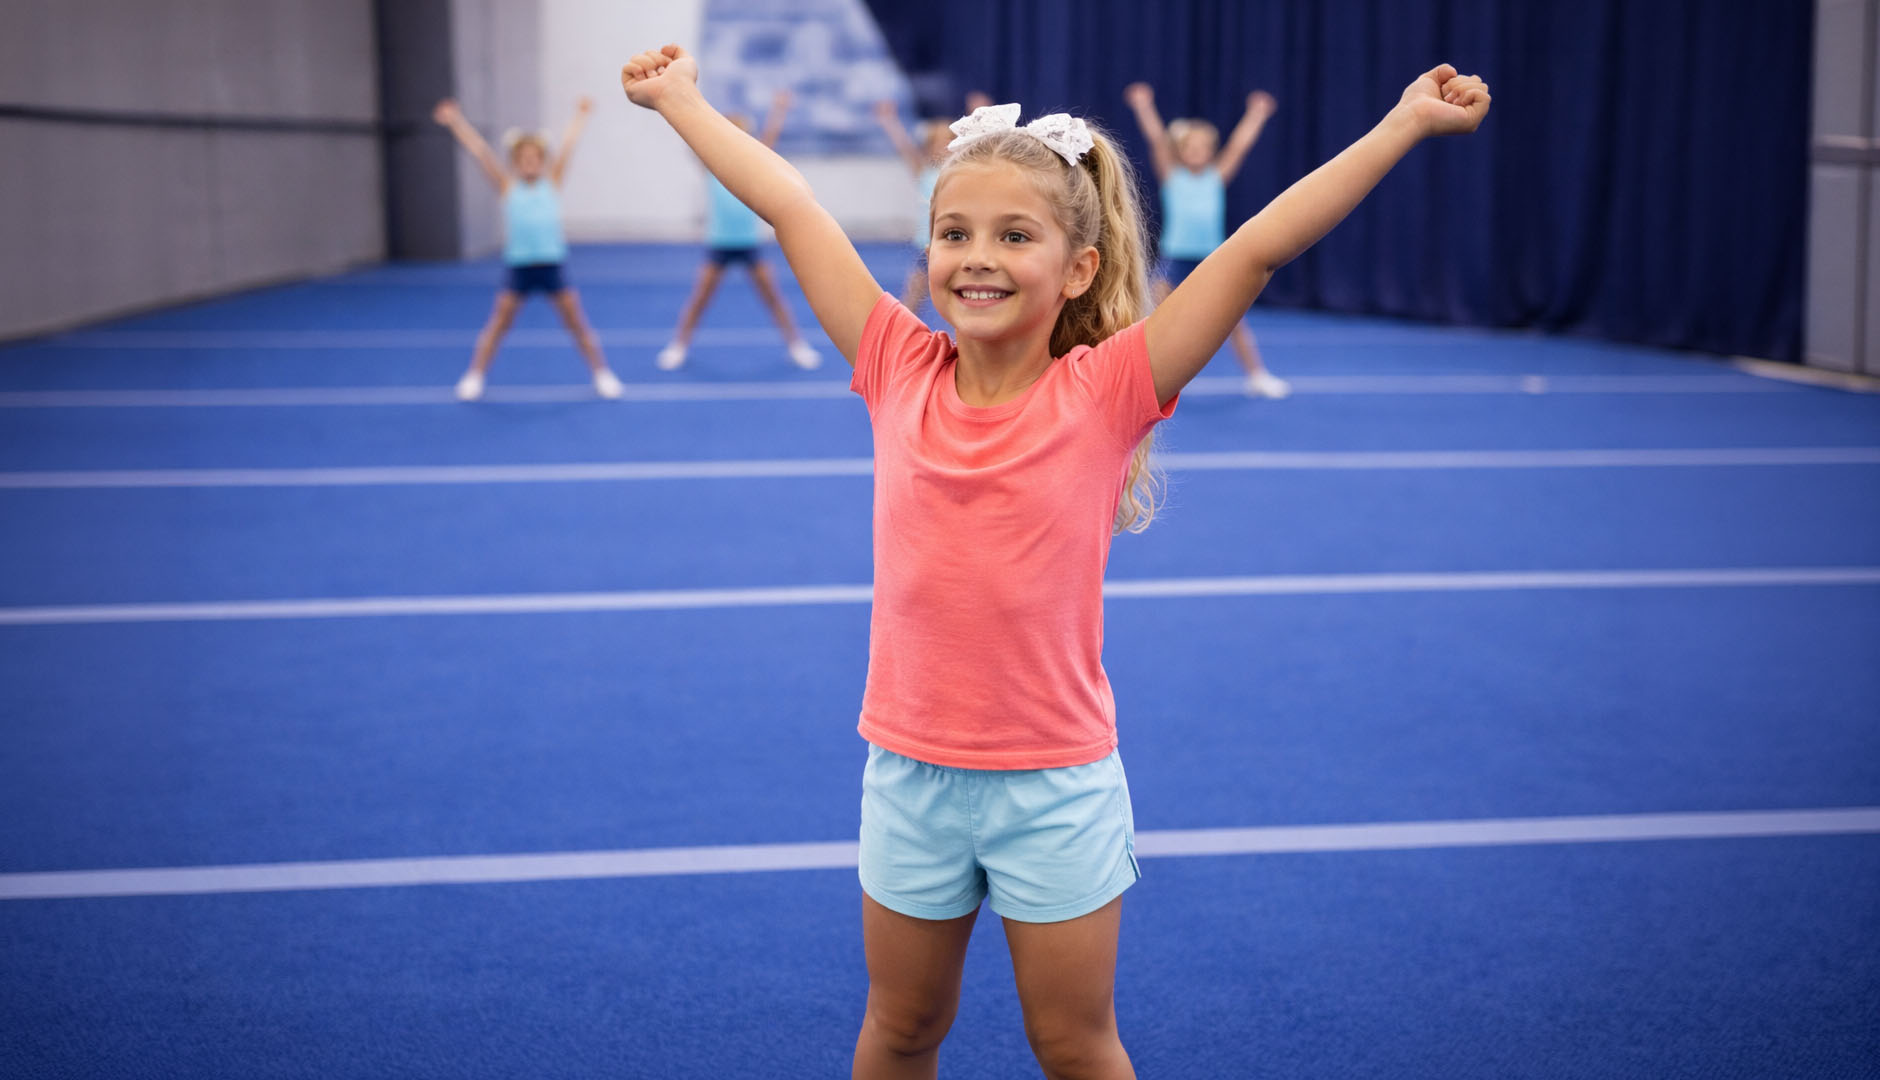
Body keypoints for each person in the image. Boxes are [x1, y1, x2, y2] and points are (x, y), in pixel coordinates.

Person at [621, 43, 1488, 1079]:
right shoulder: (896, 365)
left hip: (1054, 784)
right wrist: (681, 101)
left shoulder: (1107, 391)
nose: (976, 257)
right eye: (954, 233)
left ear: (1078, 268)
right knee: (900, 1028)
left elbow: (1256, 249)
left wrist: (1402, 123)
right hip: (909, 772)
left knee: (1072, 1042)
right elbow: (792, 205)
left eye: (1014, 235)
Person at [432, 97, 623, 401]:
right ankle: (475, 375)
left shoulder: (552, 183)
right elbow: (480, 151)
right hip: (519, 269)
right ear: (516, 162)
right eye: (524, 159)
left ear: (543, 161)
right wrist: (456, 121)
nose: (530, 163)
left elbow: (568, 146)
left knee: (576, 324)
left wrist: (580, 116)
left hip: (551, 267)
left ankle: (602, 373)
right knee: (498, 325)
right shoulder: (508, 187)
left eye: (535, 158)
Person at [1124, 82, 1288, 398]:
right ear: (1180, 151)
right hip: (1175, 258)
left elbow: (1239, 146)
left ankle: (1256, 375)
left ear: (1211, 151)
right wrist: (1143, 106)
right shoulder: (1172, 176)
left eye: (1203, 147)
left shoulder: (1216, 177)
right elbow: (1156, 139)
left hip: (1212, 258)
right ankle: (1137, 377)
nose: (1197, 152)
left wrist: (1256, 114)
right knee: (1151, 319)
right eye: (1190, 147)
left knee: (1234, 320)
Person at [657, 90, 822, 372]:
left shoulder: (752, 167)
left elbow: (769, 140)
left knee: (773, 298)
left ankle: (796, 345)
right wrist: (678, 103)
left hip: (749, 243)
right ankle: (679, 346)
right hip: (720, 243)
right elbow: (693, 138)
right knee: (700, 299)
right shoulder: (712, 165)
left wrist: (779, 110)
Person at [873, 91, 992, 312]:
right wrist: (889, 121)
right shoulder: (924, 170)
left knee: (960, 297)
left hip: (954, 244)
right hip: (926, 246)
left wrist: (978, 113)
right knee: (912, 299)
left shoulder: (959, 170)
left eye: (948, 142)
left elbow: (977, 143)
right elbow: (904, 146)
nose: (943, 148)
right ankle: (901, 330)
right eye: (938, 143)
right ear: (929, 148)